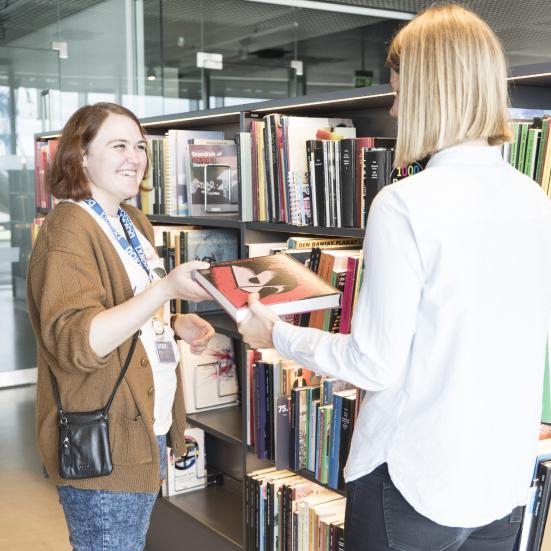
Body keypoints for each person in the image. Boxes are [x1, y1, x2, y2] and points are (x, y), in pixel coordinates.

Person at [239, 5, 551, 550]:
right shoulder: (534, 200)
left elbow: (374, 363)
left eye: (400, 90)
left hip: (411, 480)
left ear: (432, 92)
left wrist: (276, 335)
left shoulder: (405, 204)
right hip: (499, 482)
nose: (394, 105)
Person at [27, 102, 215, 551]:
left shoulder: (132, 222)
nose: (134, 157)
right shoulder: (69, 226)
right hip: (105, 436)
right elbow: (78, 341)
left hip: (146, 426)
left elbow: (126, 310)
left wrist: (173, 321)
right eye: (117, 145)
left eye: (139, 146)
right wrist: (165, 290)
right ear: (81, 156)